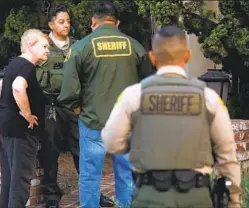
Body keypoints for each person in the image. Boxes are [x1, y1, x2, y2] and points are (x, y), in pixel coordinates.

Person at [102, 25, 243, 207]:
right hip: (196, 197)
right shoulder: (209, 98)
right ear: (187, 55)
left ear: (152, 57)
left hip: (149, 195)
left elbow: (111, 141)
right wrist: (234, 201)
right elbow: (227, 156)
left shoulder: (133, 95)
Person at [57, 2, 155, 207]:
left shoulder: (80, 47)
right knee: (127, 174)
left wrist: (77, 110)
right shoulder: (135, 46)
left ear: (94, 21)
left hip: (93, 122)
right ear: (117, 22)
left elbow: (68, 91)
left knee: (90, 176)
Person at [35, 4, 113, 207]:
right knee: (50, 151)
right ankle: (52, 195)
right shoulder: (43, 47)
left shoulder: (79, 45)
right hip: (51, 106)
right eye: (61, 21)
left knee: (83, 151)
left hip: (76, 108)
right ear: (51, 24)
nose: (66, 25)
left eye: (68, 21)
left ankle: (92, 193)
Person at [0, 29, 49, 208]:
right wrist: (27, 114)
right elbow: (18, 87)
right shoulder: (26, 65)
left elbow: (2, 85)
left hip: (7, 126)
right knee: (20, 183)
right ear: (30, 45)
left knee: (10, 180)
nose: (47, 50)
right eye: (44, 46)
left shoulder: (13, 64)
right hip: (21, 131)